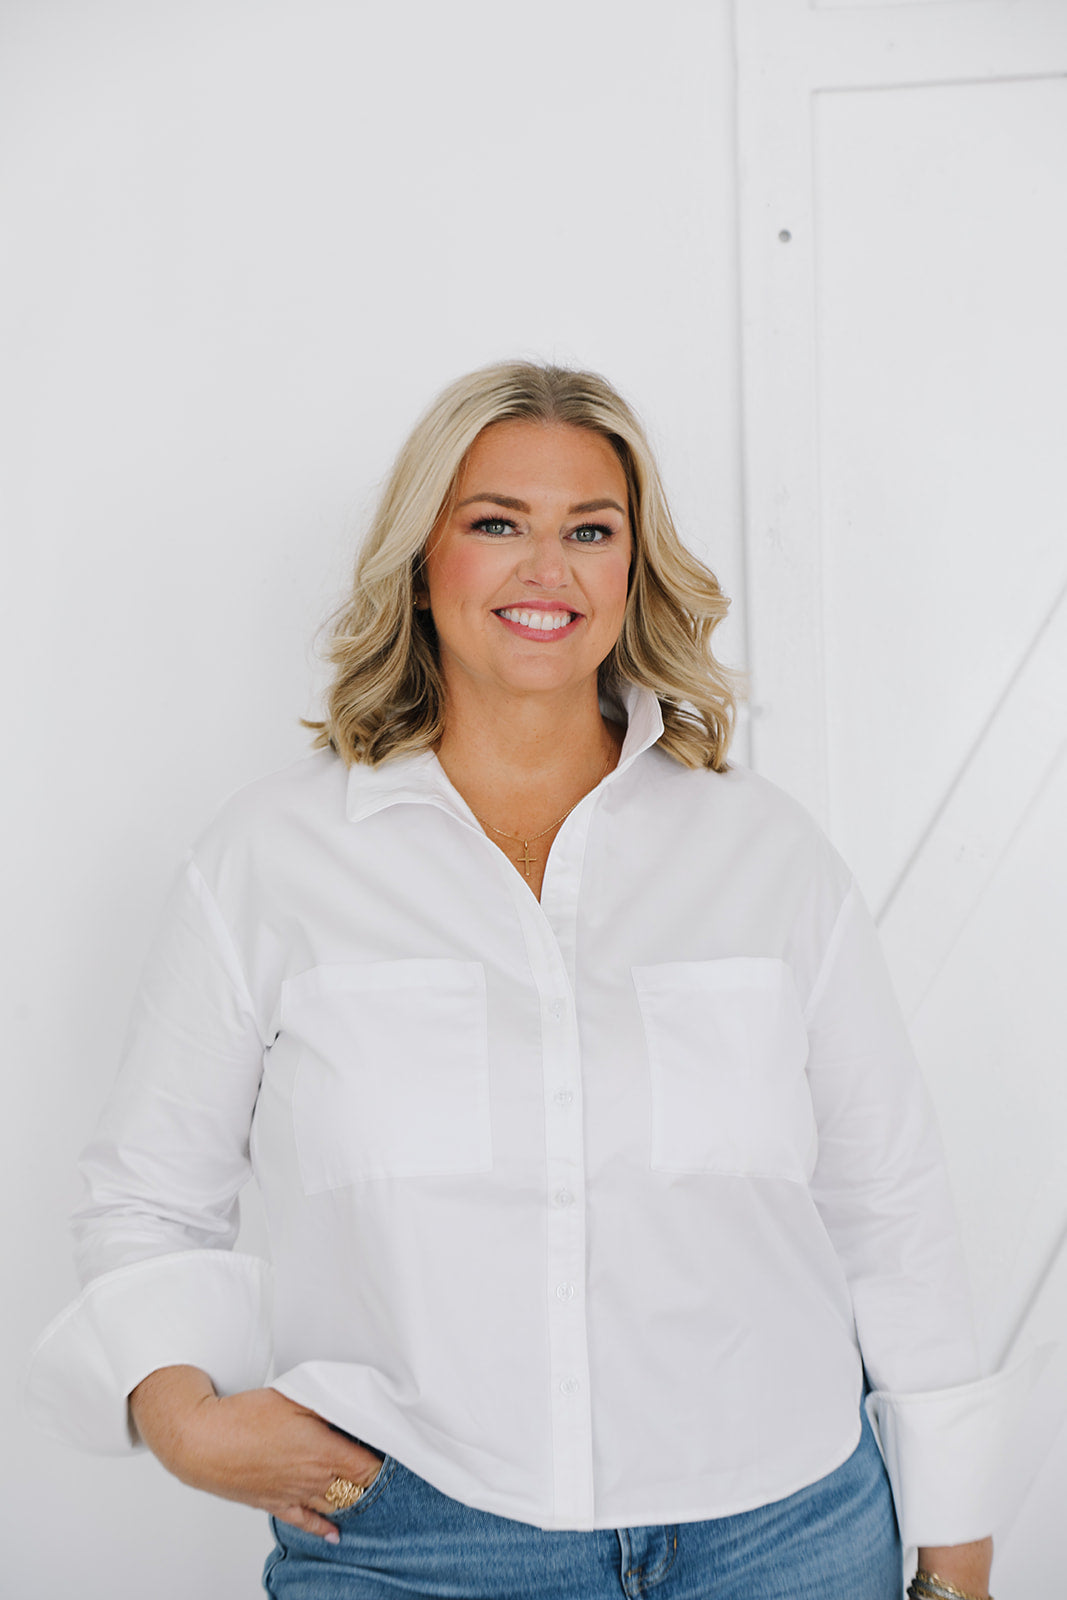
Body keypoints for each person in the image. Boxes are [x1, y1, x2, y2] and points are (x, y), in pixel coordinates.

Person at [27, 361, 1017, 1599]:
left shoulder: (763, 854)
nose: (545, 570)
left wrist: (958, 1546)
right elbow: (147, 1195)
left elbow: (887, 1203)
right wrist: (179, 1417)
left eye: (588, 532)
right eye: (496, 523)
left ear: (629, 572)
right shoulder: (269, 861)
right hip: (413, 1543)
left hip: (786, 1536)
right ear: (421, 558)